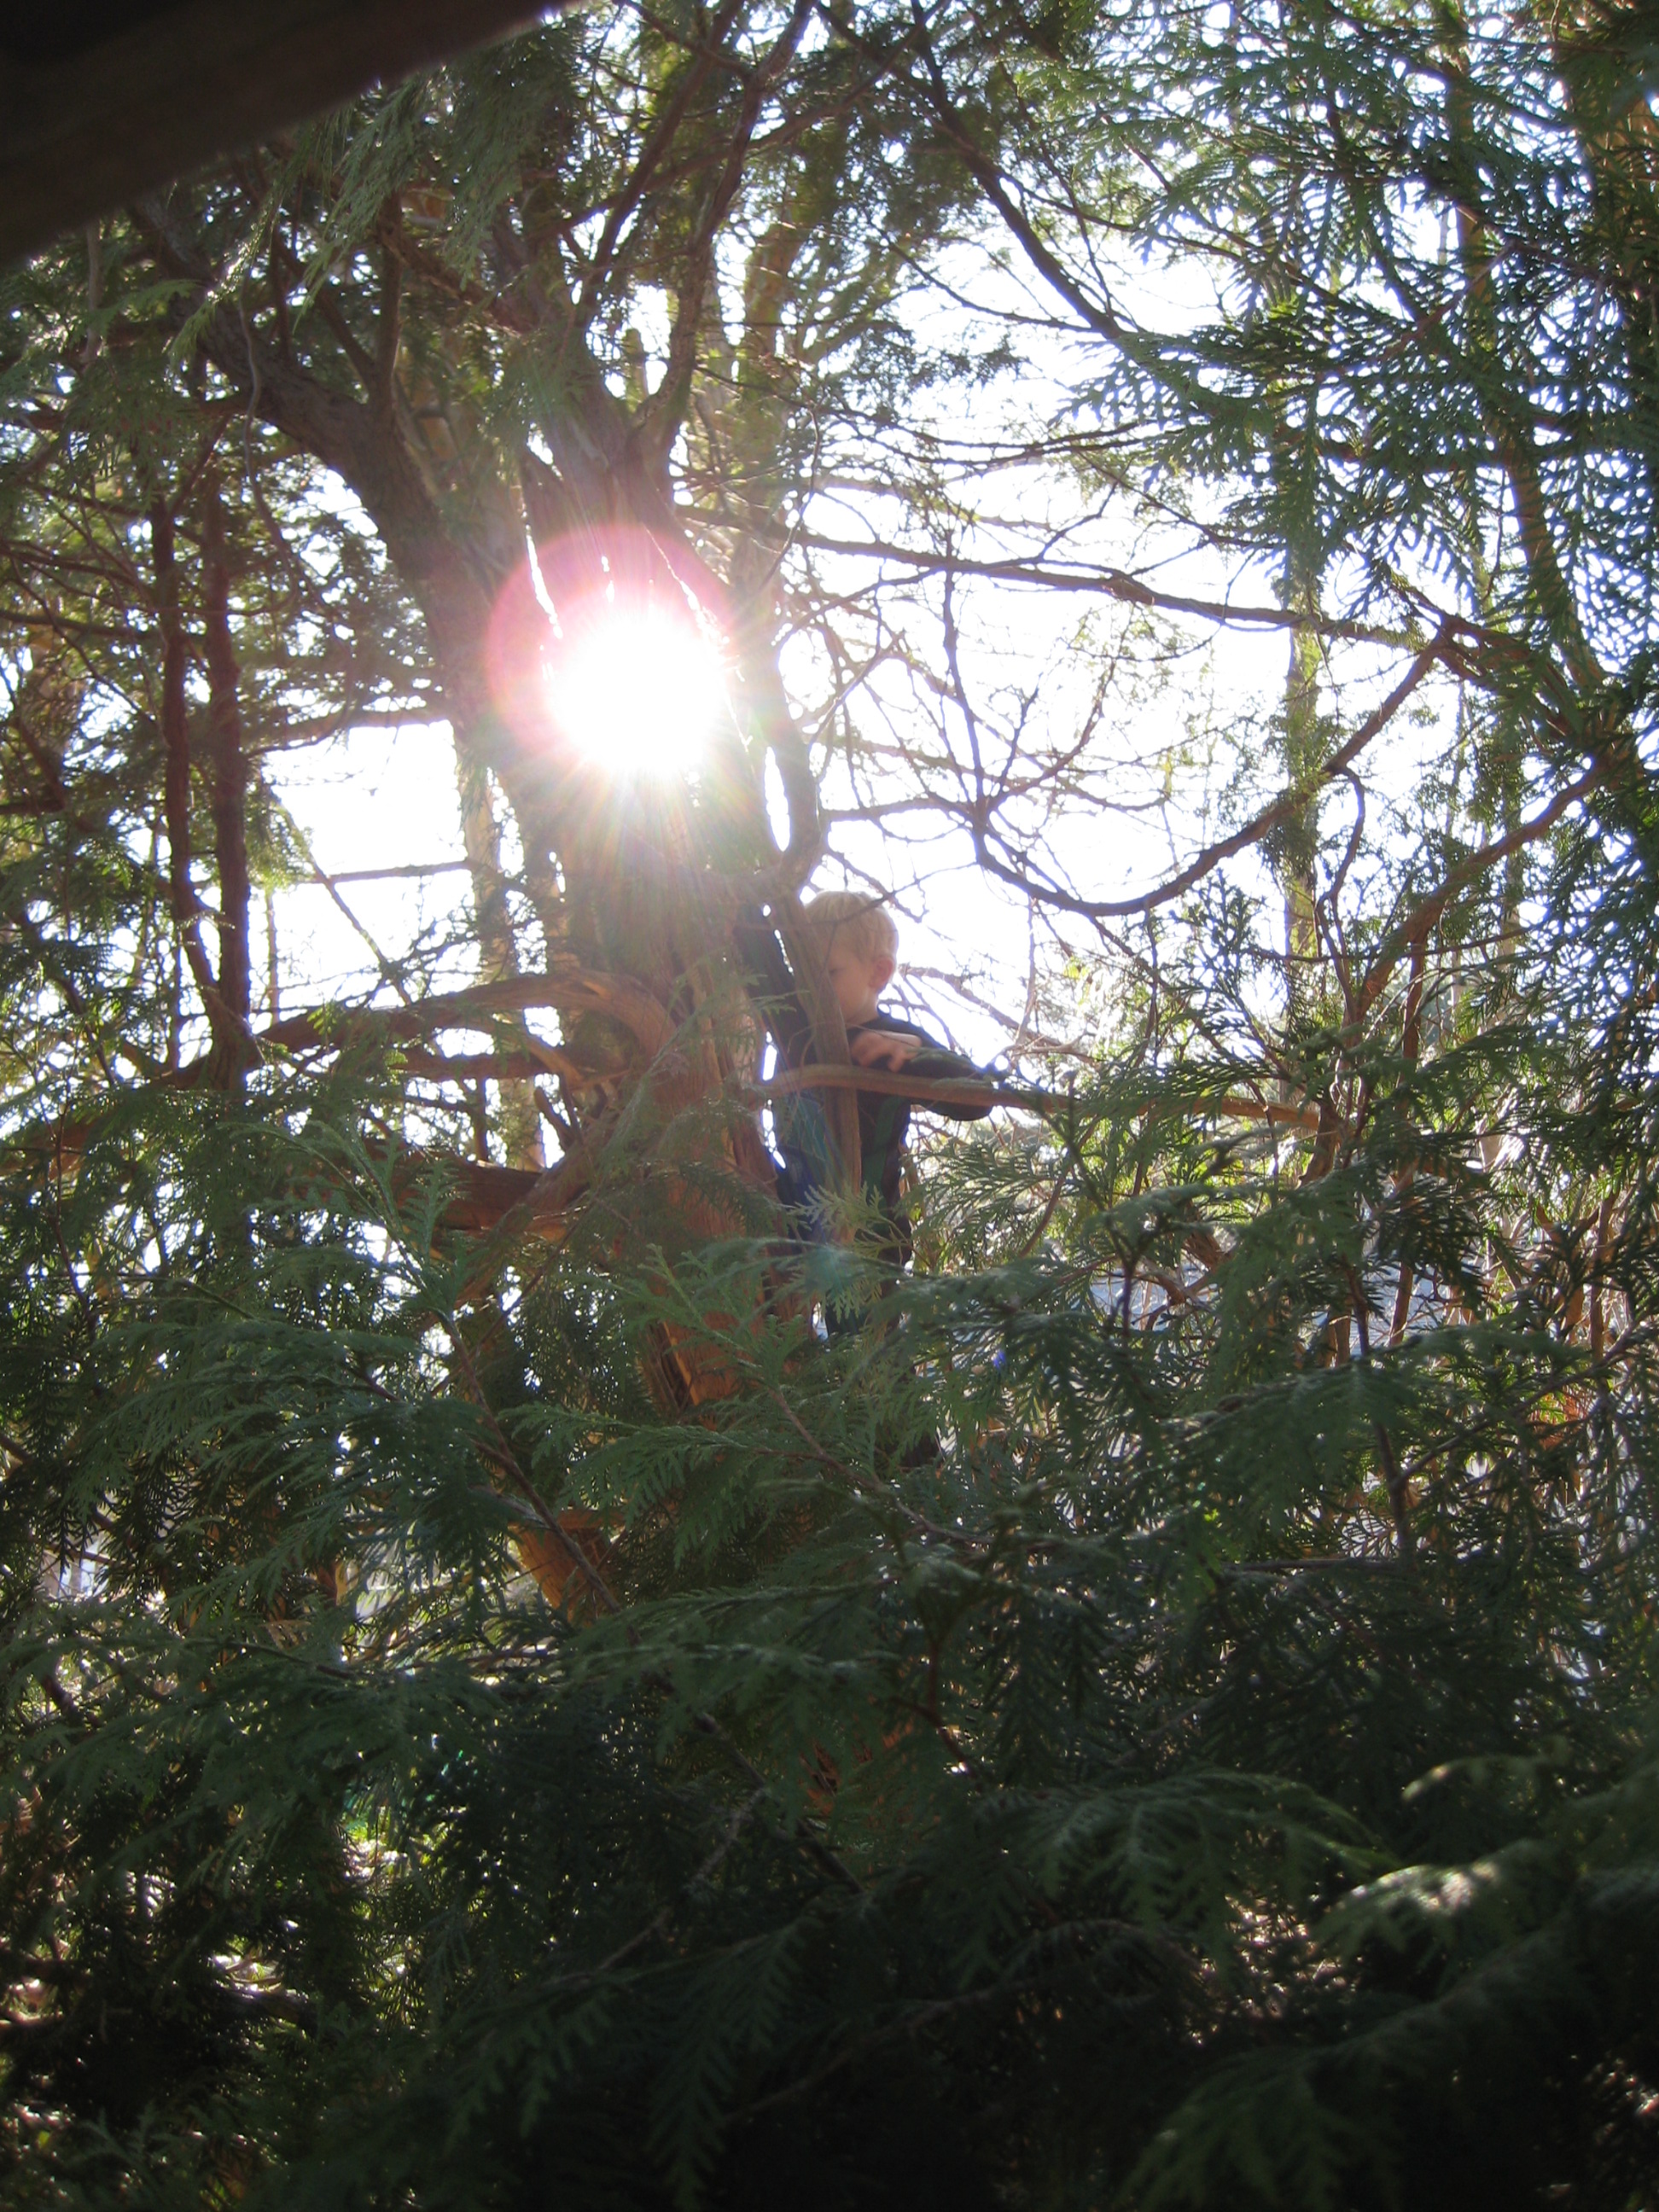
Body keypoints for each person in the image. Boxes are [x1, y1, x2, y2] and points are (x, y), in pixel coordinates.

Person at [732, 891, 992, 1283]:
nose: (807, 987)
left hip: (870, 1244)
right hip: (790, 1217)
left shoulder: (892, 1044)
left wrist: (916, 1052)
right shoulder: (796, 1029)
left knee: (866, 1321)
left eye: (827, 973)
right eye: (800, 972)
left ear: (878, 973)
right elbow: (757, 951)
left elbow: (978, 1099)